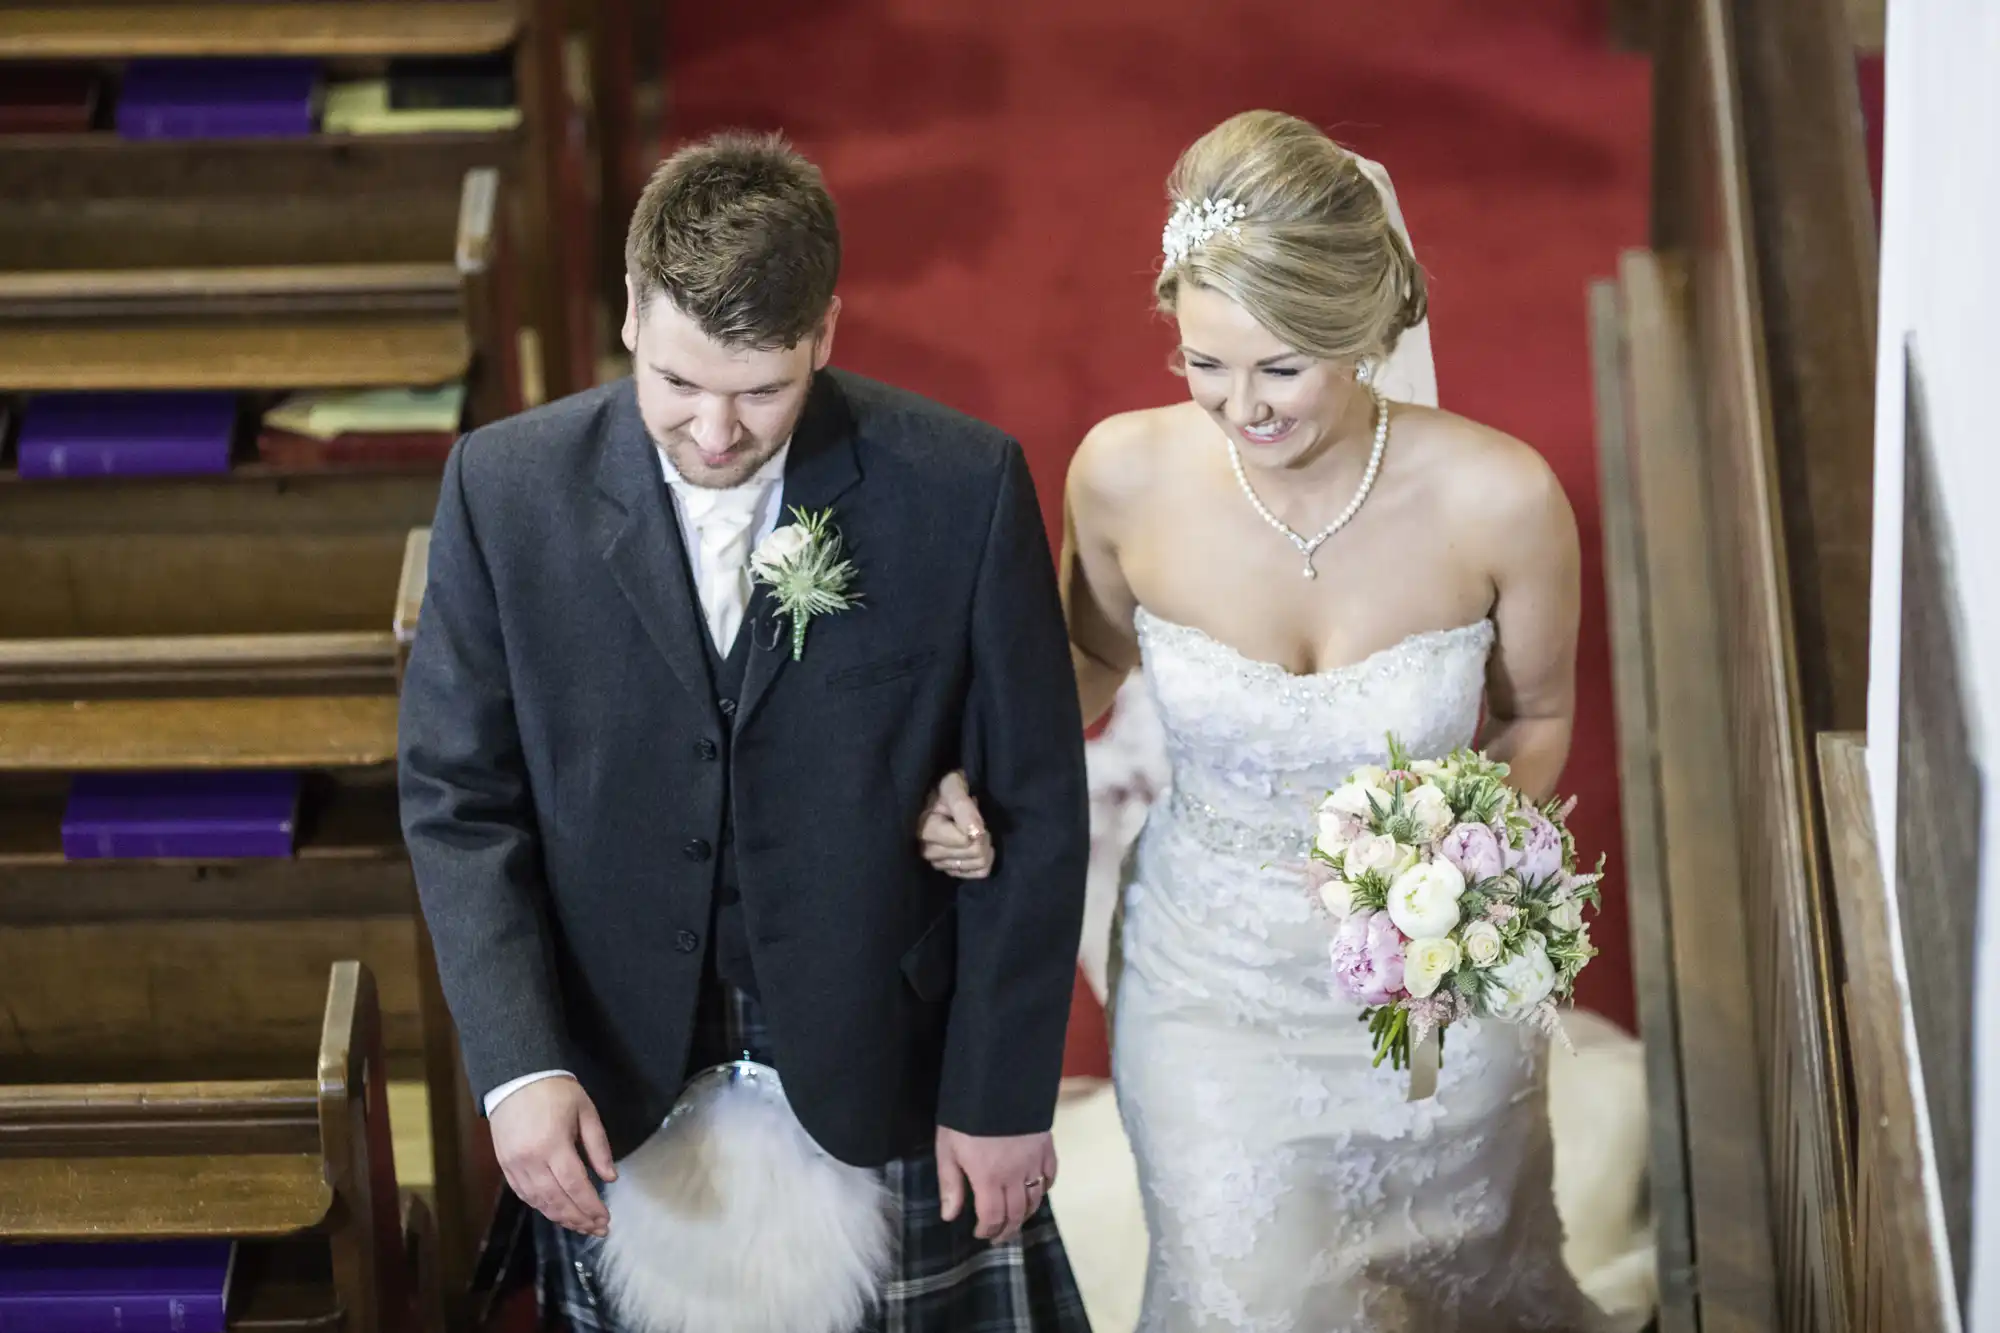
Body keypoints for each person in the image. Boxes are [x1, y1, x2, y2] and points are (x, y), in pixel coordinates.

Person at [923, 110, 1613, 1330]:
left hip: (1430, 999)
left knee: (1464, 1279)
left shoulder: (1500, 500)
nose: (1238, 406)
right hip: (1208, 986)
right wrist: (970, 764)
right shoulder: (1123, 476)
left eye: (1280, 366)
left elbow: (1539, 716)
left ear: (1362, 332)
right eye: (1202, 362)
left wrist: (1456, 889)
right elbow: (1086, 657)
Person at [398, 130, 1093, 1333]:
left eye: (761, 390)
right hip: (612, 1054)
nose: (714, 434)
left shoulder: (958, 486)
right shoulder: (502, 491)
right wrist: (519, 1064)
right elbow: (460, 799)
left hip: (885, 1055)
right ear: (628, 313)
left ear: (825, 332)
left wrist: (1000, 1088)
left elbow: (1034, 798)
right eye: (679, 386)